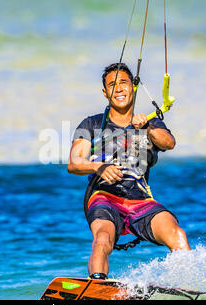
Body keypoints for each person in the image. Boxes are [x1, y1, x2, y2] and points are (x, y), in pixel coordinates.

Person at [67, 63, 191, 280]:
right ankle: (97, 286)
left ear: (133, 88)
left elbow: (169, 143)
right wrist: (99, 166)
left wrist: (147, 127)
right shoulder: (92, 123)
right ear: (105, 93)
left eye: (123, 83)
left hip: (140, 200)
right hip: (103, 197)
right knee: (103, 238)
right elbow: (74, 163)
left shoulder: (151, 123)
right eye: (112, 85)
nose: (119, 89)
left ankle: (191, 285)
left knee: (176, 233)